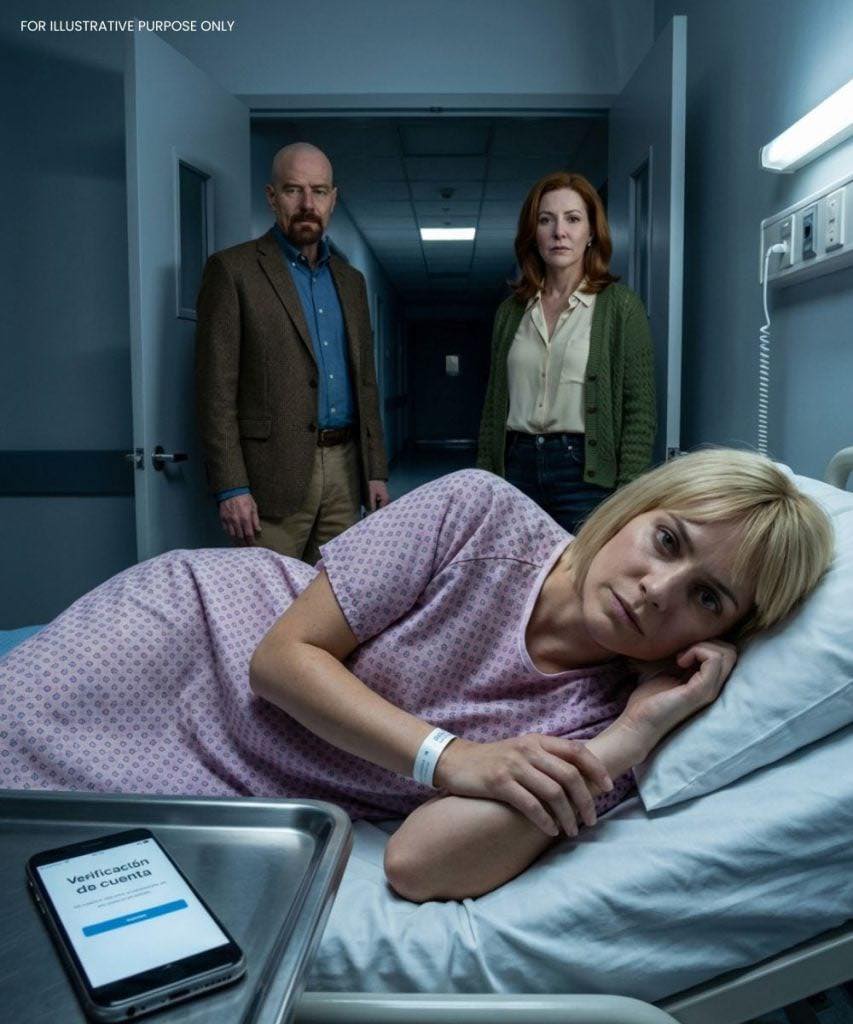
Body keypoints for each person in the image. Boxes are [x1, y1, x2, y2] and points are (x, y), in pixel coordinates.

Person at [0, 450, 833, 905]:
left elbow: (418, 866)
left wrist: (633, 735)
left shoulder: (603, 722)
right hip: (192, 643)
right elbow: (280, 660)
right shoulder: (479, 513)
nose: (658, 591)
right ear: (635, 509)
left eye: (706, 597)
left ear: (720, 636)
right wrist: (454, 758)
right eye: (667, 541)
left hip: (256, 785)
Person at [195, 142, 390, 564]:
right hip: (270, 477)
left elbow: (366, 384)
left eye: (318, 191)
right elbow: (216, 392)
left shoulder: (352, 282)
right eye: (292, 190)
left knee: (337, 593)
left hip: (345, 472)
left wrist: (375, 470)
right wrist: (231, 486)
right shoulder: (233, 271)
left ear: (333, 199)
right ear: (271, 197)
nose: (307, 204)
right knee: (269, 597)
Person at [477, 171, 656, 536]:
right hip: (515, 469)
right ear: (533, 233)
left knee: (580, 569)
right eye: (546, 220)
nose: (559, 232)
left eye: (573, 219)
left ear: (591, 233)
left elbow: (640, 412)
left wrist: (628, 497)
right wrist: (484, 477)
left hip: (585, 476)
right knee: (514, 567)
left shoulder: (621, 307)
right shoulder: (510, 312)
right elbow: (493, 405)